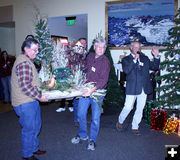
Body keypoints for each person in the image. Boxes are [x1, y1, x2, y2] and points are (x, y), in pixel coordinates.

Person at [11, 38, 48, 160]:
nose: (36, 52)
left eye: (37, 50)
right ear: (26, 49)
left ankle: (34, 148)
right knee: (29, 129)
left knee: (36, 126)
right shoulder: (24, 63)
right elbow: (25, 86)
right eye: (34, 50)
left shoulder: (27, 60)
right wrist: (40, 97)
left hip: (31, 100)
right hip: (24, 102)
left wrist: (41, 86)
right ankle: (27, 155)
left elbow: (31, 82)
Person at [71, 36, 110, 151]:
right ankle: (82, 135)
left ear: (105, 49)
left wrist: (91, 90)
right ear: (94, 47)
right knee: (81, 114)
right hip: (85, 90)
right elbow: (83, 69)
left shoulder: (105, 62)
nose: (100, 49)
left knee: (95, 118)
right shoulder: (90, 56)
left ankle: (92, 139)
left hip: (97, 93)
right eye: (98, 47)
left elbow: (103, 81)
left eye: (103, 47)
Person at [116, 41, 160, 135]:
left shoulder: (145, 58)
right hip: (132, 87)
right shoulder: (126, 59)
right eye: (135, 47)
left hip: (143, 87)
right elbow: (127, 71)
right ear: (131, 48)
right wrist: (134, 60)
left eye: (138, 47)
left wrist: (156, 56)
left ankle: (135, 126)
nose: (137, 49)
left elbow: (155, 67)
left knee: (140, 108)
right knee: (128, 107)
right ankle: (120, 121)